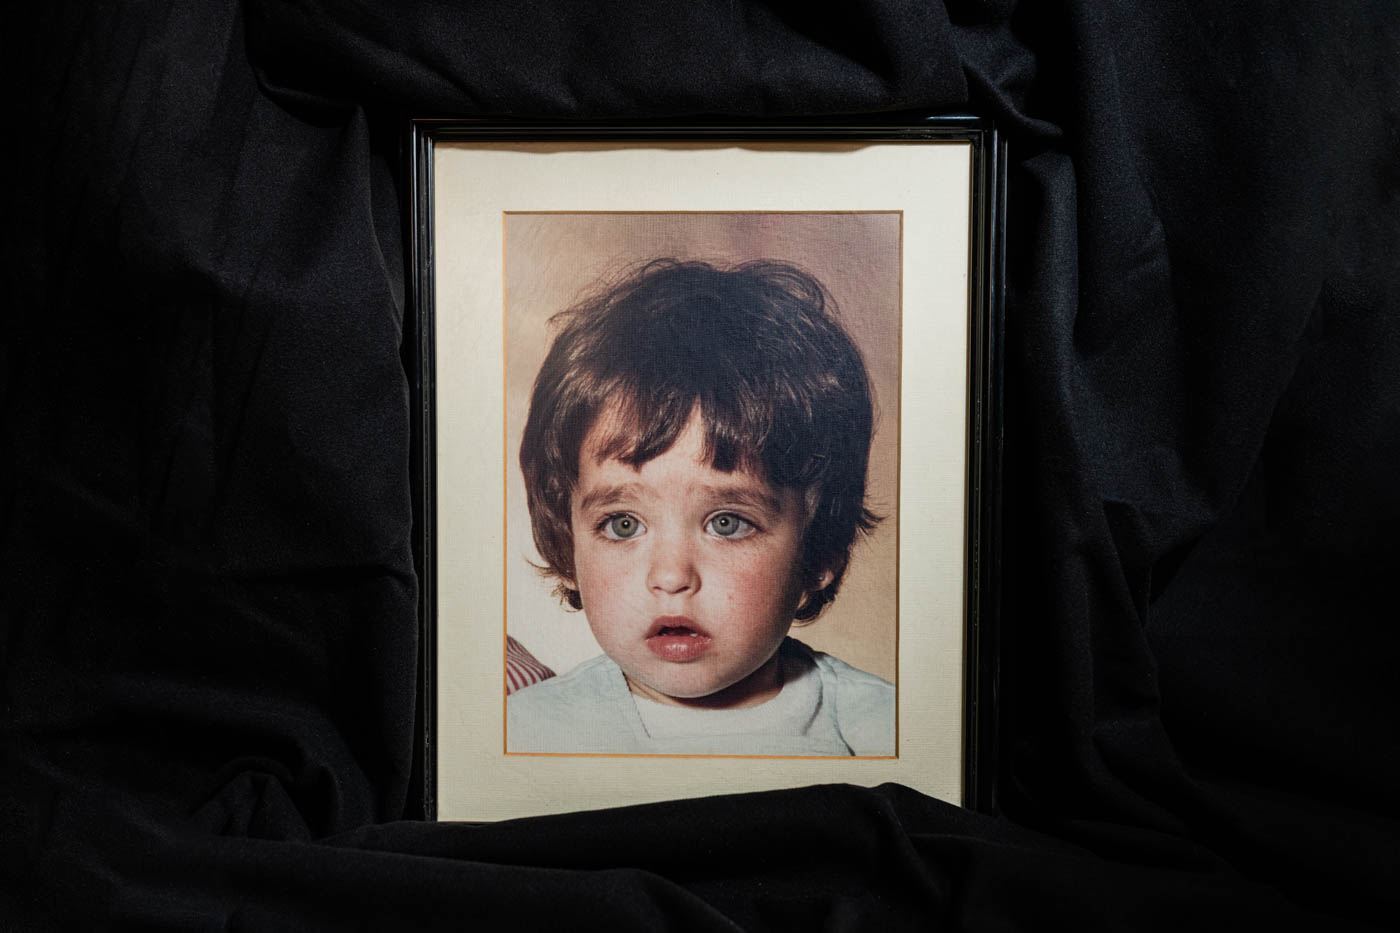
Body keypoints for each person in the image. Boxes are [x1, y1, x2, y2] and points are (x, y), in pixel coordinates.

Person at [507, 258, 894, 756]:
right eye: (623, 525)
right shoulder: (527, 734)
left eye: (727, 523)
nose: (671, 577)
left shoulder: (885, 733)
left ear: (819, 553)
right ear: (568, 545)